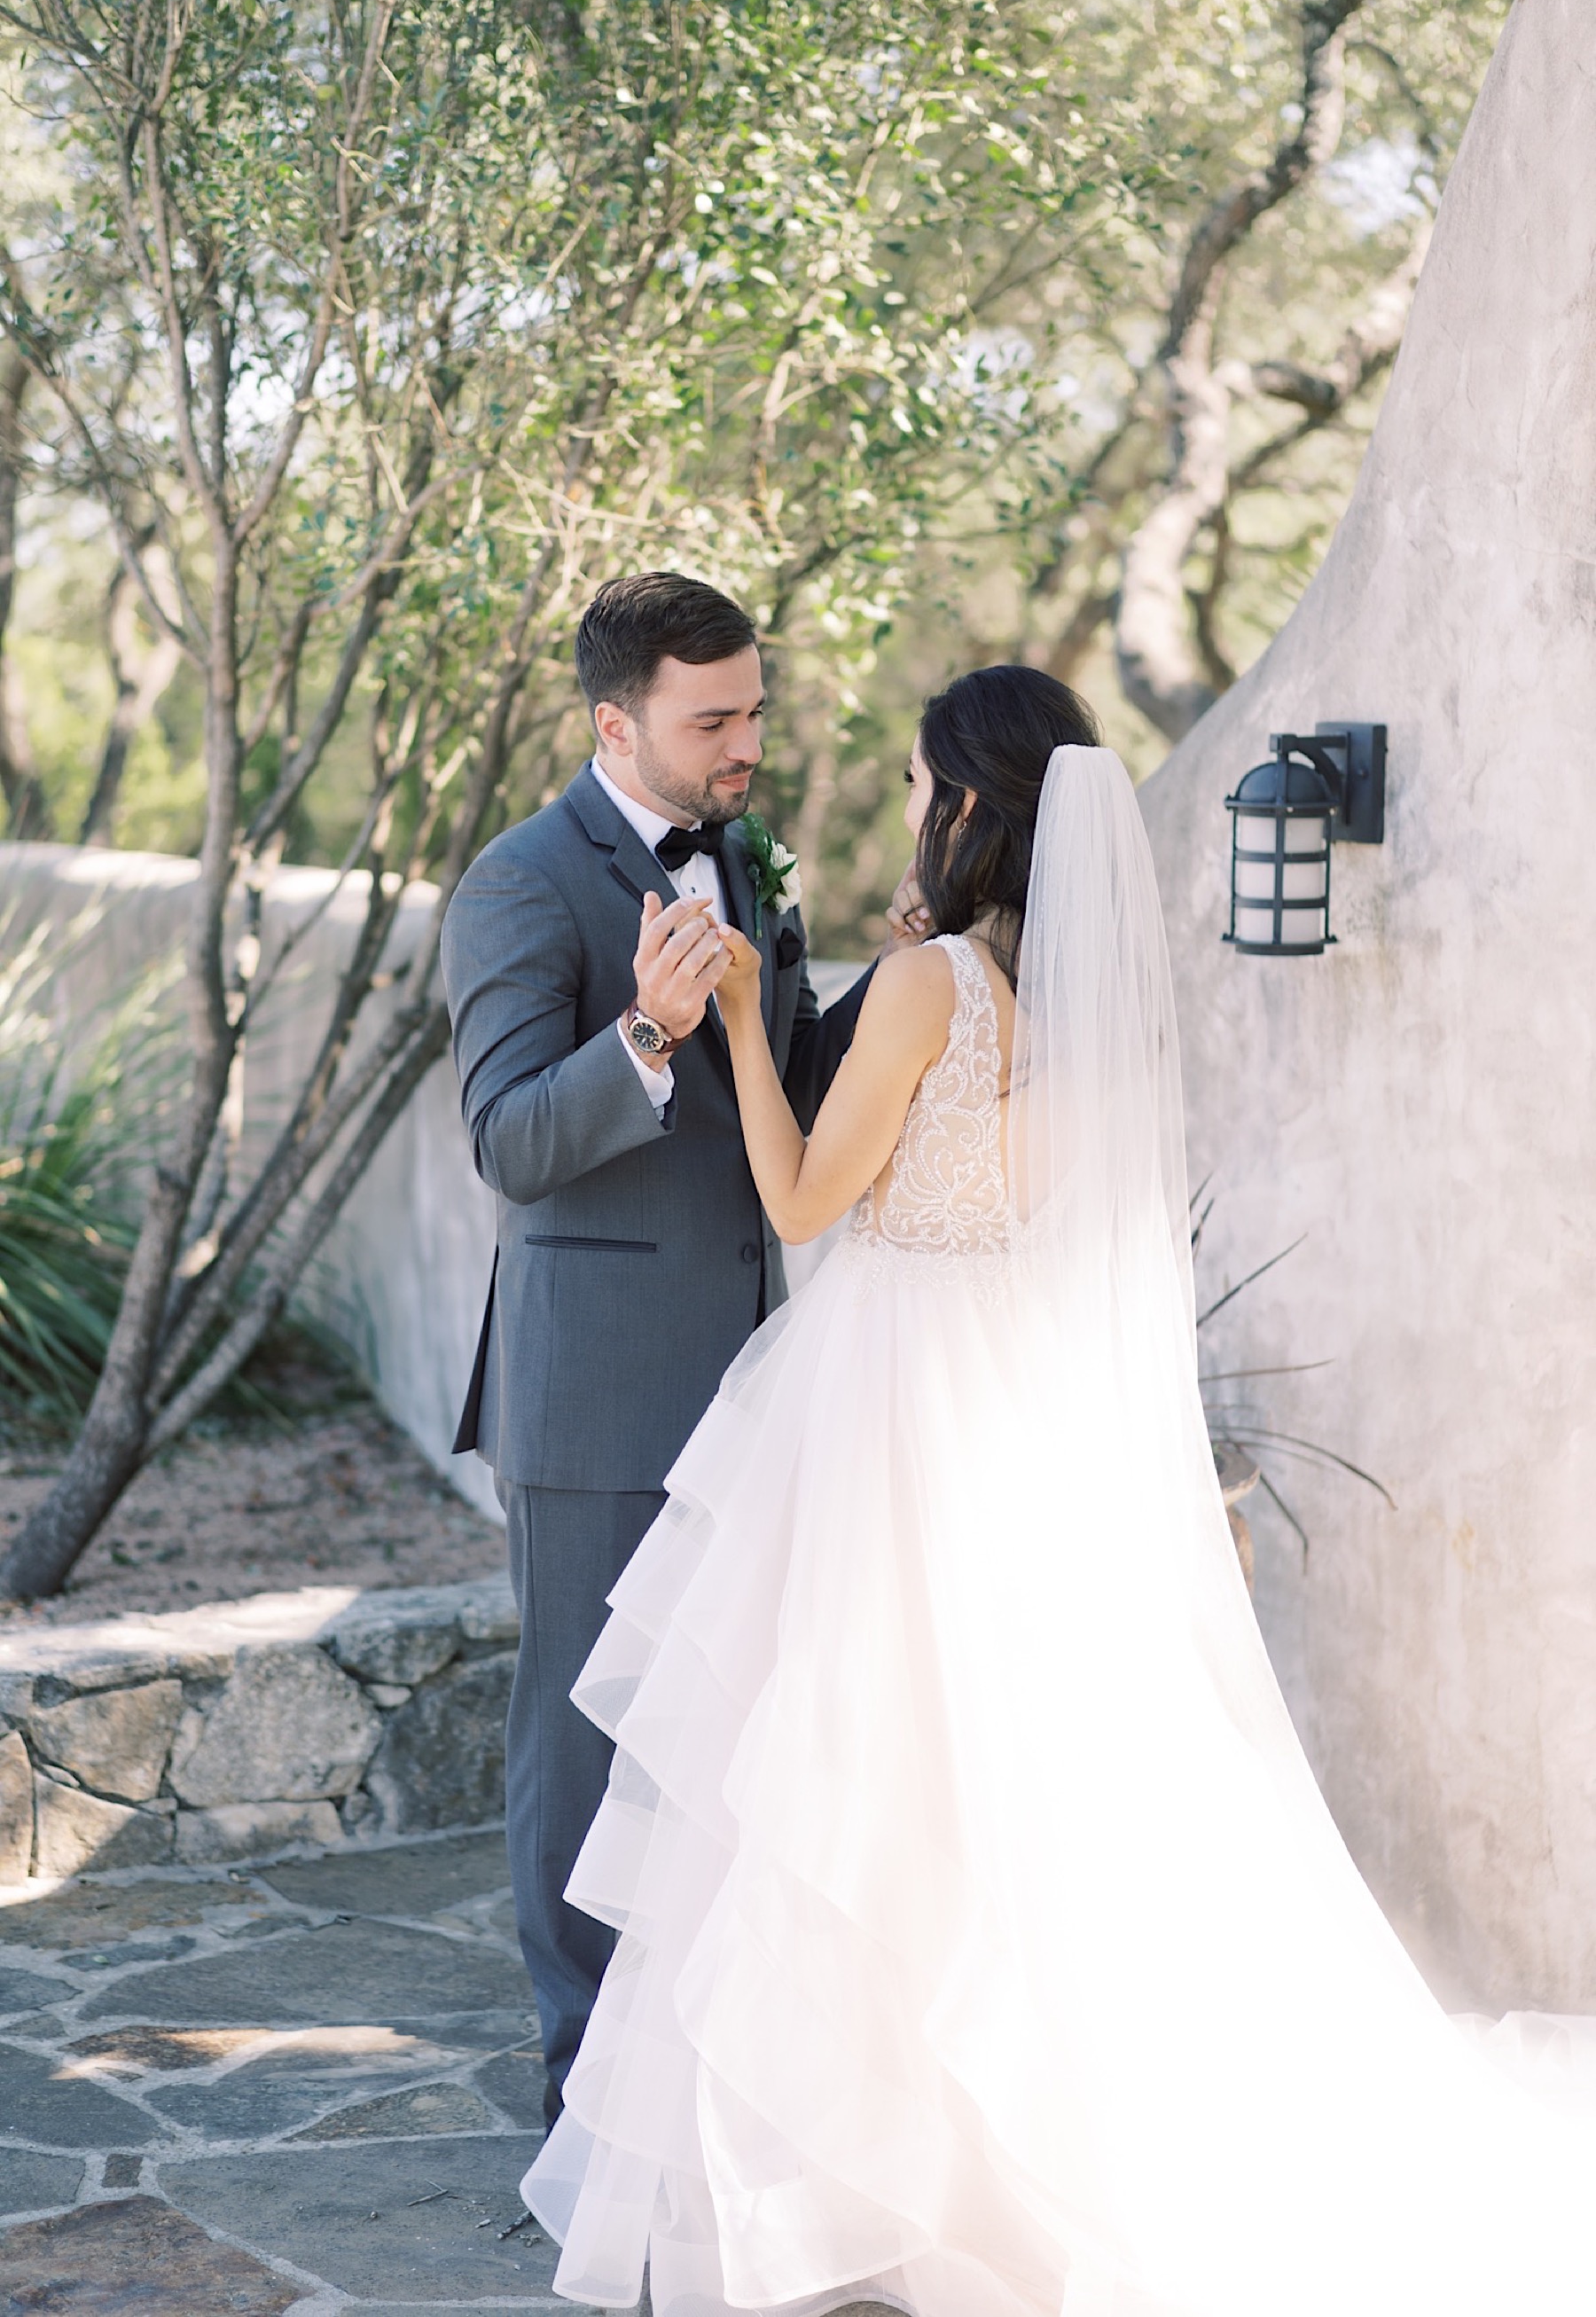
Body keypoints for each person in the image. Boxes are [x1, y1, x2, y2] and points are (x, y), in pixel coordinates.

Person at [522, 664, 1596, 2317]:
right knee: (993, 1788)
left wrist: (738, 1017)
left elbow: (807, 1202)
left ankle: (884, 2180)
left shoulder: (926, 985)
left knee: (856, 1787)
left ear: (965, 808)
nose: (901, 808)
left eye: (912, 786)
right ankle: (996, 2169)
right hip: (997, 1419)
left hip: (878, 1407)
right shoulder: (1081, 1000)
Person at [439, 573, 875, 2126]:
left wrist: (909, 989)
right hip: (597, 1396)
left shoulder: (753, 859)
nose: (747, 740)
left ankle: (701, 2065)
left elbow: (802, 1074)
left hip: (758, 1379)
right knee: (581, 1734)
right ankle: (585, 2093)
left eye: (754, 707)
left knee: (731, 1726)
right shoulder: (516, 885)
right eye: (715, 720)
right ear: (616, 723)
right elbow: (506, 1141)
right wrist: (641, 1035)